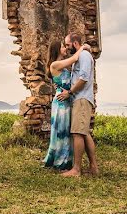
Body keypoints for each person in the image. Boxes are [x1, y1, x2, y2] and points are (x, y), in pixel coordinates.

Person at [42, 39, 90, 170]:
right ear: (57, 49)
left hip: (67, 101)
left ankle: (66, 160)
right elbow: (75, 58)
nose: (66, 48)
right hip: (61, 103)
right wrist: (83, 47)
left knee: (67, 132)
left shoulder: (62, 65)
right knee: (61, 131)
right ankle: (59, 161)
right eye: (63, 46)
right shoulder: (55, 65)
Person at [57, 33, 99, 177]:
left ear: (75, 44)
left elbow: (83, 79)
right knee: (84, 132)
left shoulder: (84, 56)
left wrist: (69, 92)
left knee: (77, 133)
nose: (67, 48)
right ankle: (93, 167)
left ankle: (76, 169)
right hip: (80, 99)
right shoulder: (80, 56)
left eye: (68, 45)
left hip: (81, 99)